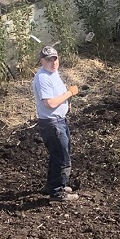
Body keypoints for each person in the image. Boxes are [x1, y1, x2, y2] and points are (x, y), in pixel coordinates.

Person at [32, 45, 80, 201]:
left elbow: (57, 96)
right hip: (52, 123)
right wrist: (69, 93)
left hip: (59, 121)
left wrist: (67, 101)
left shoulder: (53, 73)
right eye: (49, 60)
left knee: (58, 155)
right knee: (61, 157)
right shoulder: (43, 78)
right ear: (41, 61)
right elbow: (50, 103)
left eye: (55, 59)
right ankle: (57, 192)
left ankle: (53, 185)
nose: (53, 62)